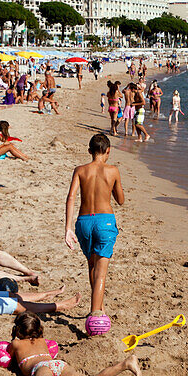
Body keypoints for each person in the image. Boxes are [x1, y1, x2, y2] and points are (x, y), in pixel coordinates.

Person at [7, 311, 140, 376]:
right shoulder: (42, 341)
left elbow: (8, 358)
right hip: (58, 364)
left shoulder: (16, 343)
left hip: (41, 367)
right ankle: (126, 363)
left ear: (17, 330)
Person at [65, 133, 124, 332]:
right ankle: (95, 314)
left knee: (91, 265)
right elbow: (121, 200)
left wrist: (68, 228)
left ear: (89, 151)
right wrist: (112, 185)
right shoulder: (113, 170)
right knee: (101, 273)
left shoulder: (80, 170)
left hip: (83, 222)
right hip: (105, 221)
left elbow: (71, 198)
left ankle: (99, 306)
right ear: (108, 151)